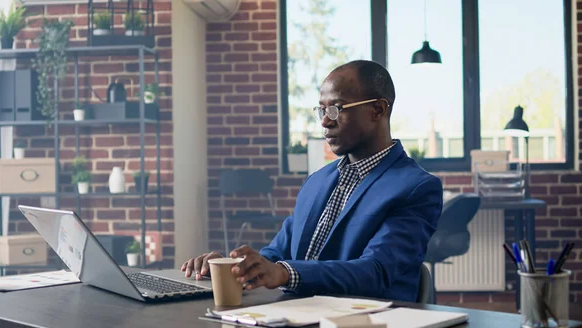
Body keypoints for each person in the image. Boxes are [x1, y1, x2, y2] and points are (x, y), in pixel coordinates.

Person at [181, 60, 443, 301]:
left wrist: (285, 273)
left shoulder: (415, 188)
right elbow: (276, 255)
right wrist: (231, 268)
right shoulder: (317, 181)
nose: (326, 122)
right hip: (296, 318)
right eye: (322, 110)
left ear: (377, 110)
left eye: (336, 109)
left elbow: (375, 272)